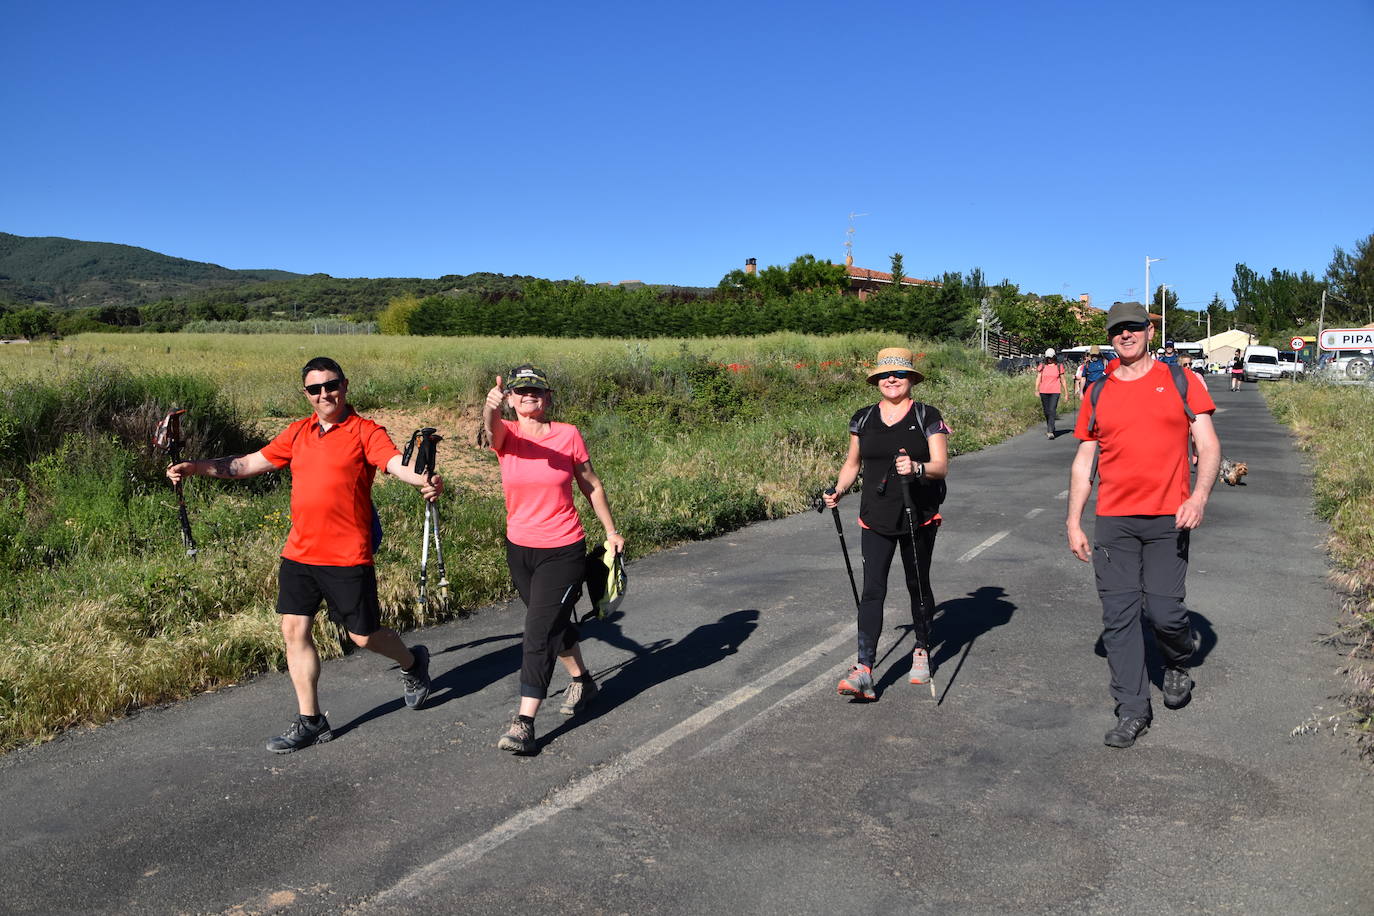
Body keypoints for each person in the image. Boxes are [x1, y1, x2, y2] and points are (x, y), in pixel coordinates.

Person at [167, 357, 441, 753]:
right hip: (300, 552)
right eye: (315, 389)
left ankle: (413, 663)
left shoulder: (365, 431)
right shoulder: (297, 433)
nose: (324, 394)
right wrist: (195, 467)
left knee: (363, 637)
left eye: (331, 386)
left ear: (345, 386)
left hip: (347, 555)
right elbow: (245, 464)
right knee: (293, 631)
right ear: (306, 394)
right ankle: (311, 720)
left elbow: (396, 463)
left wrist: (425, 479)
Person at [1065, 303, 1220, 749]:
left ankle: (1176, 660)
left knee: (1166, 613)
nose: (1126, 335)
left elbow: (1208, 444)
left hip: (1169, 517)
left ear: (1149, 331)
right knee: (1119, 618)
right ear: (1110, 338)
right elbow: (1083, 462)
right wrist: (1074, 521)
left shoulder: (1180, 380)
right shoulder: (1097, 391)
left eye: (1134, 328)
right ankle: (1132, 709)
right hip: (1114, 522)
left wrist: (1199, 497)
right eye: (1118, 331)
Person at [482, 364, 625, 754]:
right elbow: (490, 428)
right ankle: (583, 680)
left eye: (537, 391)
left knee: (538, 632)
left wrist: (611, 532)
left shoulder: (568, 435)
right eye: (521, 391)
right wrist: (490, 407)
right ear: (510, 398)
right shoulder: (507, 434)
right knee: (553, 624)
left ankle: (524, 722)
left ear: (548, 398)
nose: (529, 396)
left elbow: (591, 485)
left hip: (563, 548)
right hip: (520, 548)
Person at [824, 347, 951, 699]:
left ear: (910, 379)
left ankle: (922, 648)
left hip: (918, 515)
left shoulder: (927, 415)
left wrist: (917, 468)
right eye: (884, 375)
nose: (891, 379)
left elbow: (941, 464)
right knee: (872, 590)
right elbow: (853, 463)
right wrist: (838, 489)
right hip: (875, 517)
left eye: (898, 374)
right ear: (876, 381)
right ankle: (864, 669)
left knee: (917, 583)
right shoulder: (863, 419)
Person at [1034, 347, 1069, 439]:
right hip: (1044, 391)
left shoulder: (1059, 366)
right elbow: (1038, 378)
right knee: (1046, 411)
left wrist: (1066, 393)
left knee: (1052, 410)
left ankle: (1050, 431)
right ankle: (1051, 426)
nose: (1049, 359)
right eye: (1048, 358)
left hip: (1055, 391)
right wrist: (1036, 389)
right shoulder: (1042, 366)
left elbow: (1063, 380)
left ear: (1054, 357)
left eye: (1051, 358)